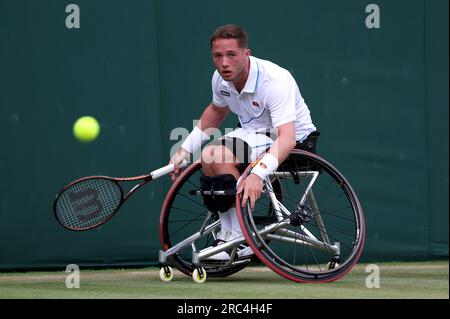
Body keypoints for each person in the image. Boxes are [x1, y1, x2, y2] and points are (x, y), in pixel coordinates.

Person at [169, 24, 319, 261]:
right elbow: (216, 111)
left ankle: (239, 238)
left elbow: (287, 138)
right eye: (218, 56)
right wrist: (184, 149)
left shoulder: (275, 80)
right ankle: (230, 235)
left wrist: (258, 174)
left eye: (231, 55)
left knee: (219, 156)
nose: (224, 63)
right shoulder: (220, 79)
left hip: (294, 141)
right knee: (209, 156)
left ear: (246, 54)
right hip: (253, 134)